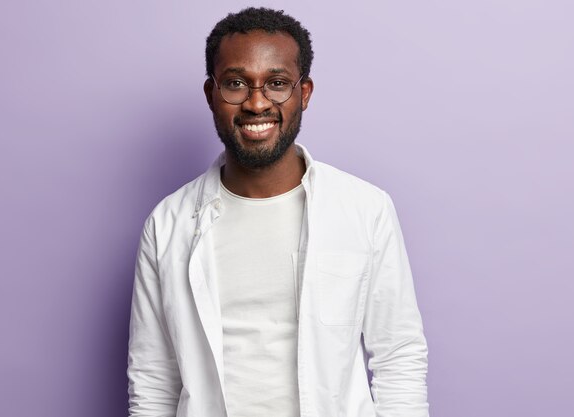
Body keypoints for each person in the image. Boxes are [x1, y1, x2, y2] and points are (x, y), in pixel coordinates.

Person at [127, 7, 429, 417]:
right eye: (236, 83)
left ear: (304, 93)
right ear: (211, 94)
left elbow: (399, 357)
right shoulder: (168, 224)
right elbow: (153, 376)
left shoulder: (365, 209)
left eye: (277, 83)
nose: (256, 103)